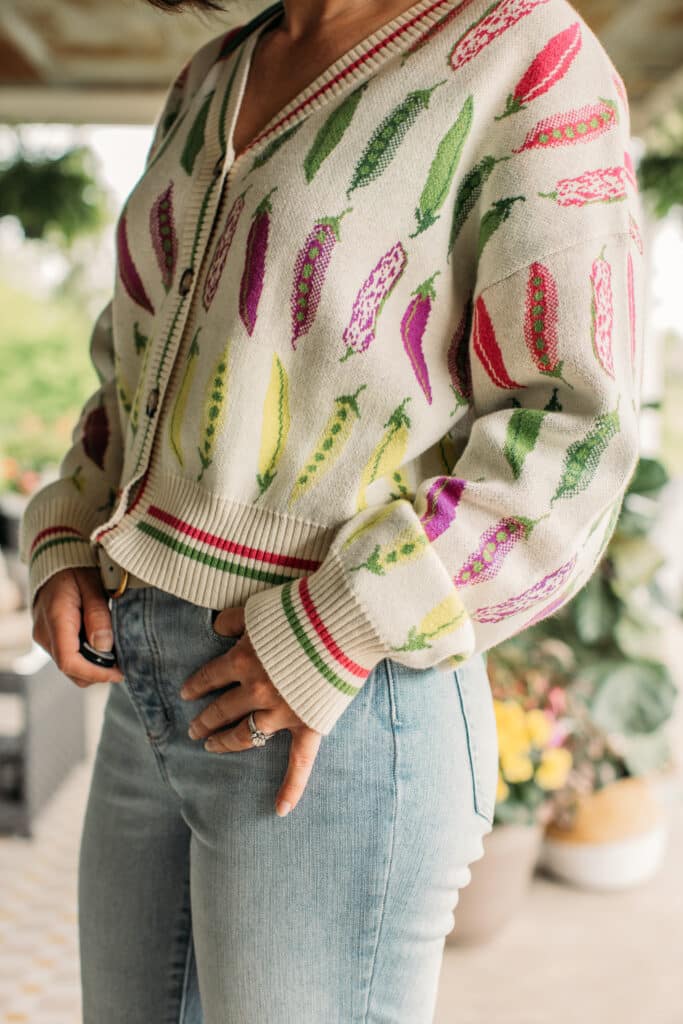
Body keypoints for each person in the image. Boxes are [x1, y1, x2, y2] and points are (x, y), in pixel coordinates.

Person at [20, 0, 645, 1019]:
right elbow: (134, 359)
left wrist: (340, 623)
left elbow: (573, 430)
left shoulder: (524, 53)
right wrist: (67, 528)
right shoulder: (212, 75)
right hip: (142, 693)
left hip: (342, 698)